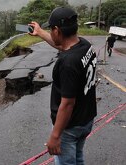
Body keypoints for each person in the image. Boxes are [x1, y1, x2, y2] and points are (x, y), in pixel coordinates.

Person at [29, 7, 97, 165]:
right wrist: (39, 32)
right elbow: (62, 45)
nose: (51, 33)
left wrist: (55, 136)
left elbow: (67, 104)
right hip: (86, 119)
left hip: (70, 127)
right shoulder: (85, 45)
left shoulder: (67, 63)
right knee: (78, 157)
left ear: (57, 30)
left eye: (51, 29)